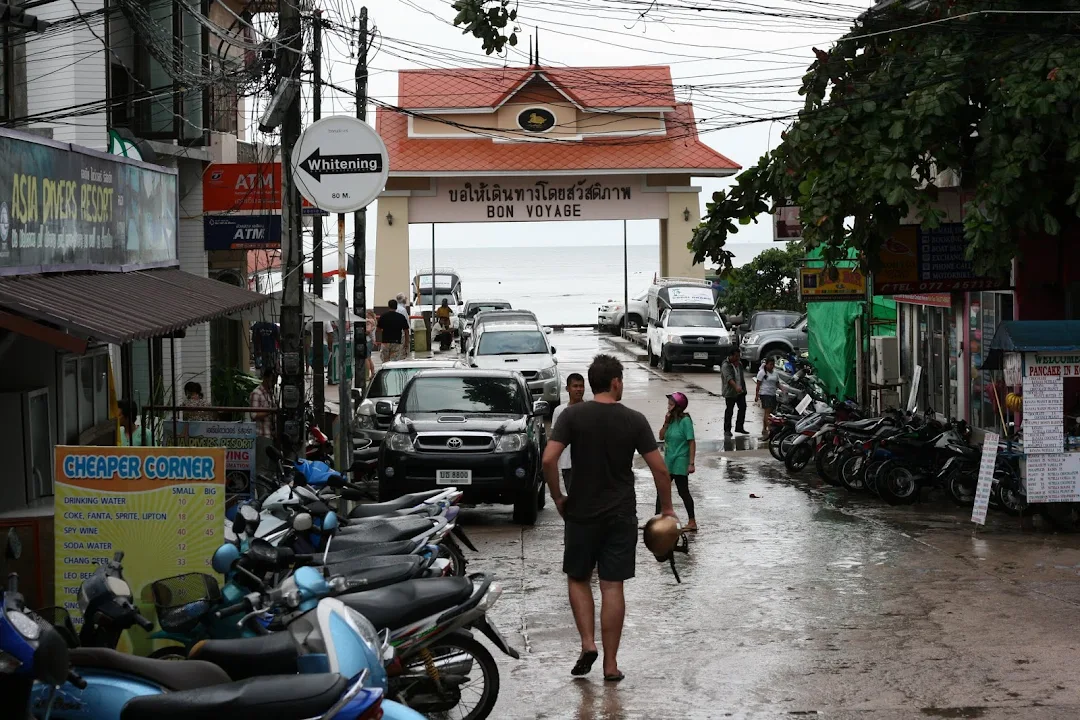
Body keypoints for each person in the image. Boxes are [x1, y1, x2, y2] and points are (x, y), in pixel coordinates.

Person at [542, 354, 676, 683]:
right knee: (612, 585)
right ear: (615, 382)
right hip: (620, 514)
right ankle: (611, 665)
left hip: (581, 513)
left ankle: (588, 644)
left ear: (591, 383)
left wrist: (559, 497)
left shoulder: (572, 416)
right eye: (622, 381)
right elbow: (660, 468)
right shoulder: (634, 420)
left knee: (578, 579)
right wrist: (668, 509)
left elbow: (548, 460)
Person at [658, 391, 697, 532]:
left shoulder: (685, 421)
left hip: (680, 460)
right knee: (662, 489)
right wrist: (666, 422)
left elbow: (691, 442)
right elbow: (661, 436)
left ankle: (692, 521)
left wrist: (691, 463)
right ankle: (658, 519)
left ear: (678, 406)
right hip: (668, 460)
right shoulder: (670, 420)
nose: (668, 406)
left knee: (683, 491)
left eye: (671, 404)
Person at [550, 373, 586, 495]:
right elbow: (554, 439)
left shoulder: (590, 410)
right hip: (567, 464)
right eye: (575, 386)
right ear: (567, 389)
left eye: (581, 386)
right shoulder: (559, 411)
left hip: (588, 464)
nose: (579, 389)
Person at [250, 367, 278, 474]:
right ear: (265, 378)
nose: (273, 383)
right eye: (271, 380)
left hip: (271, 434)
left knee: (270, 467)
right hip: (262, 435)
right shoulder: (256, 393)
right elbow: (253, 414)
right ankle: (262, 490)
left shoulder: (270, 393)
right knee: (262, 466)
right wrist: (270, 411)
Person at [721, 347, 748, 437]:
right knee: (729, 411)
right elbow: (729, 378)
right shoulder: (726, 365)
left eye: (738, 356)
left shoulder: (739, 364)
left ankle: (739, 427)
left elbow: (741, 378)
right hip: (730, 392)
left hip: (740, 391)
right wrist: (736, 387)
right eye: (736, 356)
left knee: (743, 408)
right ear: (731, 356)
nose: (738, 358)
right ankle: (727, 430)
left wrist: (743, 389)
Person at [755, 357, 780, 439]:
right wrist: (756, 395)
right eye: (770, 364)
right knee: (768, 412)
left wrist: (783, 389)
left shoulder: (775, 373)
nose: (772, 366)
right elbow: (758, 384)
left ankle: (764, 428)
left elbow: (777, 383)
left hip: (773, 394)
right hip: (765, 394)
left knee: (768, 412)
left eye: (773, 364)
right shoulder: (762, 373)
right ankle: (770, 429)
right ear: (766, 364)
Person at [364, 310, 377, 380]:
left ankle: (367, 375)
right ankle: (372, 373)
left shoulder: (369, 321)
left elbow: (368, 331)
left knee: (366, 358)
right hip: (371, 341)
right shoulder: (373, 321)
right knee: (369, 358)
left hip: (367, 340)